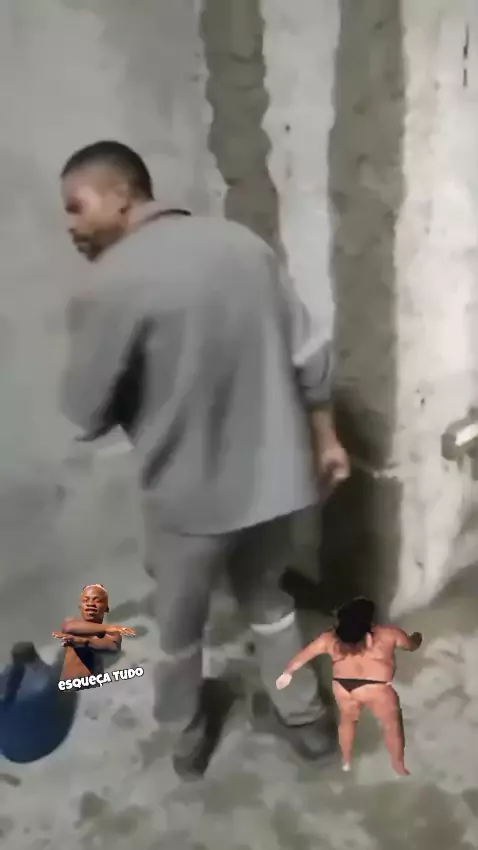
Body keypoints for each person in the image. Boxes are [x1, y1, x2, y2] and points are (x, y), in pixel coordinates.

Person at [58, 140, 350, 778]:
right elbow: (308, 353)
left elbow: (85, 409)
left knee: (179, 627)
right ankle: (305, 718)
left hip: (187, 498)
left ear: (121, 194)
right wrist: (327, 439)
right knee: (269, 601)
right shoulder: (244, 245)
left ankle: (188, 731)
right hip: (276, 481)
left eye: (76, 207)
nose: (71, 226)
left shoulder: (110, 284)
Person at [276, 597, 422, 775]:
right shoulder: (388, 634)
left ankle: (346, 761)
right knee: (391, 724)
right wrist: (416, 639)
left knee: (348, 721)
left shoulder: (329, 639)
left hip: (344, 687)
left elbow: (304, 656)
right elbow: (410, 645)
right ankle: (398, 764)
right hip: (375, 687)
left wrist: (288, 673)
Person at [53, 584, 135, 685]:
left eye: (97, 600)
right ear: (80, 606)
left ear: (107, 608)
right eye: (86, 600)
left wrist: (85, 642)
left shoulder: (112, 633)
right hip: (69, 687)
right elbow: (68, 627)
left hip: (94, 688)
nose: (90, 604)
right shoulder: (72, 622)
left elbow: (112, 647)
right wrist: (109, 627)